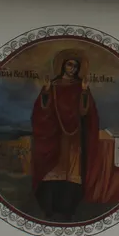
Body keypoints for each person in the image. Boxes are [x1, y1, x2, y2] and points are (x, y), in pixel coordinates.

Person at [30, 52, 102, 222]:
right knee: (54, 171)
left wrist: (84, 92)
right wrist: (46, 92)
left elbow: (85, 112)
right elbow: (42, 111)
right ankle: (49, 208)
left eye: (75, 66)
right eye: (69, 65)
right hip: (55, 135)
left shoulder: (80, 86)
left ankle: (68, 209)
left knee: (71, 173)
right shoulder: (52, 85)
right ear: (62, 66)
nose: (72, 68)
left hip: (74, 137)